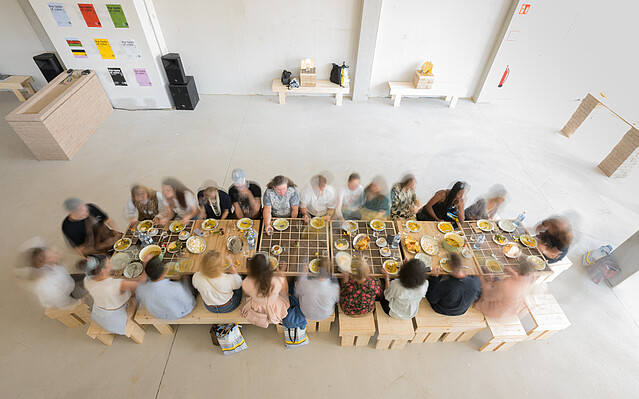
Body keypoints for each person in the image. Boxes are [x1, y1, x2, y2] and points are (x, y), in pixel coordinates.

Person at [18, 238, 85, 310]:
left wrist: (54, 254)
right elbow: (62, 301)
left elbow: (38, 242)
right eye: (45, 258)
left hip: (66, 280)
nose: (50, 255)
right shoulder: (47, 287)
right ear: (40, 265)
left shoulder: (41, 257)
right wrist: (75, 304)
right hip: (67, 293)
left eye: (45, 252)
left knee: (85, 277)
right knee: (89, 285)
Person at [82, 255, 142, 335]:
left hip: (100, 313)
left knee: (126, 290)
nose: (111, 264)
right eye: (109, 263)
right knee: (137, 293)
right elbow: (139, 284)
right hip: (115, 319)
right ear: (103, 270)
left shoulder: (87, 279)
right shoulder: (114, 284)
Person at [240, 254, 289, 327]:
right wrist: (281, 271)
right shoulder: (276, 281)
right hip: (274, 308)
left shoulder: (246, 282)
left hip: (257, 306)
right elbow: (285, 292)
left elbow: (248, 294)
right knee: (286, 295)